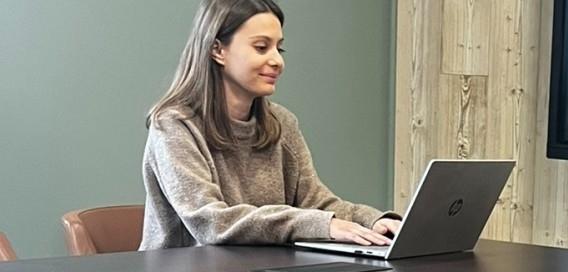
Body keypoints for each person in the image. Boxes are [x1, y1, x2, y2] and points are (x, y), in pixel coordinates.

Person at [140, 0, 399, 250]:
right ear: (218, 50)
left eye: (279, 48)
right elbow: (210, 222)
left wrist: (373, 221)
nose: (278, 61)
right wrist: (321, 225)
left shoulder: (282, 123)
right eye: (262, 47)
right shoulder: (174, 125)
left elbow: (316, 202)